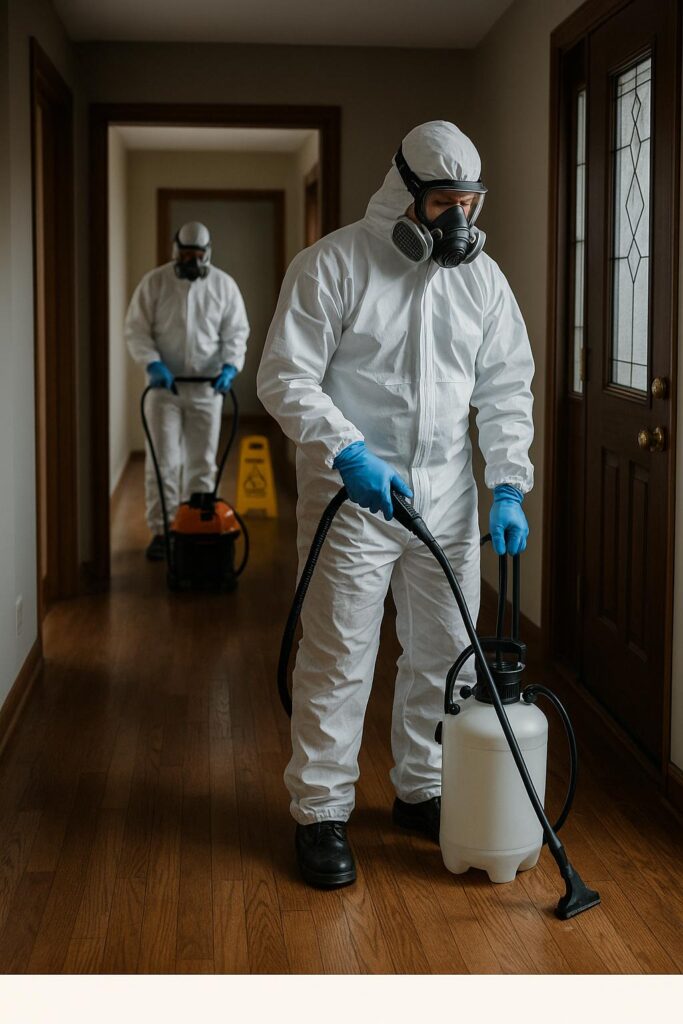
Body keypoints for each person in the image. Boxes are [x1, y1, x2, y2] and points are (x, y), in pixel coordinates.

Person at [257, 121, 534, 890]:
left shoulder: (482, 282)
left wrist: (508, 484)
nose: (457, 222)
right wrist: (347, 451)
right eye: (442, 203)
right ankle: (320, 812)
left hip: (447, 495)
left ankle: (421, 788)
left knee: (446, 656)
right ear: (403, 193)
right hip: (354, 494)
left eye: (468, 204)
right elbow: (283, 376)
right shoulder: (334, 265)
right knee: (339, 655)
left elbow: (505, 387)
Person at [126, 221, 249, 560]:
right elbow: (137, 329)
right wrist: (152, 362)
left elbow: (236, 332)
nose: (190, 261)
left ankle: (197, 525)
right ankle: (163, 530)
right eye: (185, 255)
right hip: (163, 389)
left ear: (207, 253)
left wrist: (230, 366)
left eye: (196, 255)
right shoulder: (155, 283)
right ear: (175, 251)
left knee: (202, 462)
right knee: (163, 460)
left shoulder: (224, 286)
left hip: (207, 389)